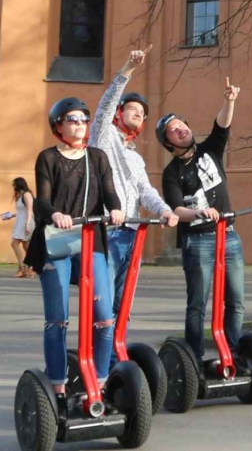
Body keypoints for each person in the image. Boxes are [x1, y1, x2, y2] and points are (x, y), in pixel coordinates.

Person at [26, 97, 125, 402]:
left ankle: (99, 383)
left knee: (105, 317)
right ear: (58, 125)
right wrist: (54, 213)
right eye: (72, 119)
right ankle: (57, 385)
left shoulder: (97, 157)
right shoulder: (48, 158)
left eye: (84, 119)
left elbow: (109, 192)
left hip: (90, 238)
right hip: (56, 240)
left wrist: (117, 209)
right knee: (58, 318)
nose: (80, 124)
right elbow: (41, 199)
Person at [88, 45, 180, 318]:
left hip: (132, 232)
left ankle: (118, 353)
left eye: (142, 111)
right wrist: (128, 68)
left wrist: (164, 210)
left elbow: (145, 190)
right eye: (132, 108)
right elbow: (104, 107)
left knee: (124, 302)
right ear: (119, 113)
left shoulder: (135, 157)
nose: (139, 113)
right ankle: (100, 355)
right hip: (108, 231)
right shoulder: (103, 138)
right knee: (104, 303)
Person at [157, 78, 242, 361]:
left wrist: (229, 100)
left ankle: (231, 352)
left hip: (228, 235)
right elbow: (177, 210)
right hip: (199, 240)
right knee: (198, 304)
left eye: (183, 125)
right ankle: (192, 360)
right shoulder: (171, 173)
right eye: (174, 130)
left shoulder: (209, 151)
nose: (182, 130)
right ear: (168, 143)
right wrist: (199, 213)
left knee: (236, 301)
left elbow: (222, 127)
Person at [0, 177, 35, 277]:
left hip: (26, 223)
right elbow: (21, 212)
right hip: (20, 222)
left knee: (14, 243)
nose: (13, 187)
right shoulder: (20, 196)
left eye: (14, 185)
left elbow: (29, 210)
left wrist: (27, 224)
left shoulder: (27, 195)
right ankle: (30, 267)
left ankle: (22, 266)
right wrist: (11, 216)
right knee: (26, 247)